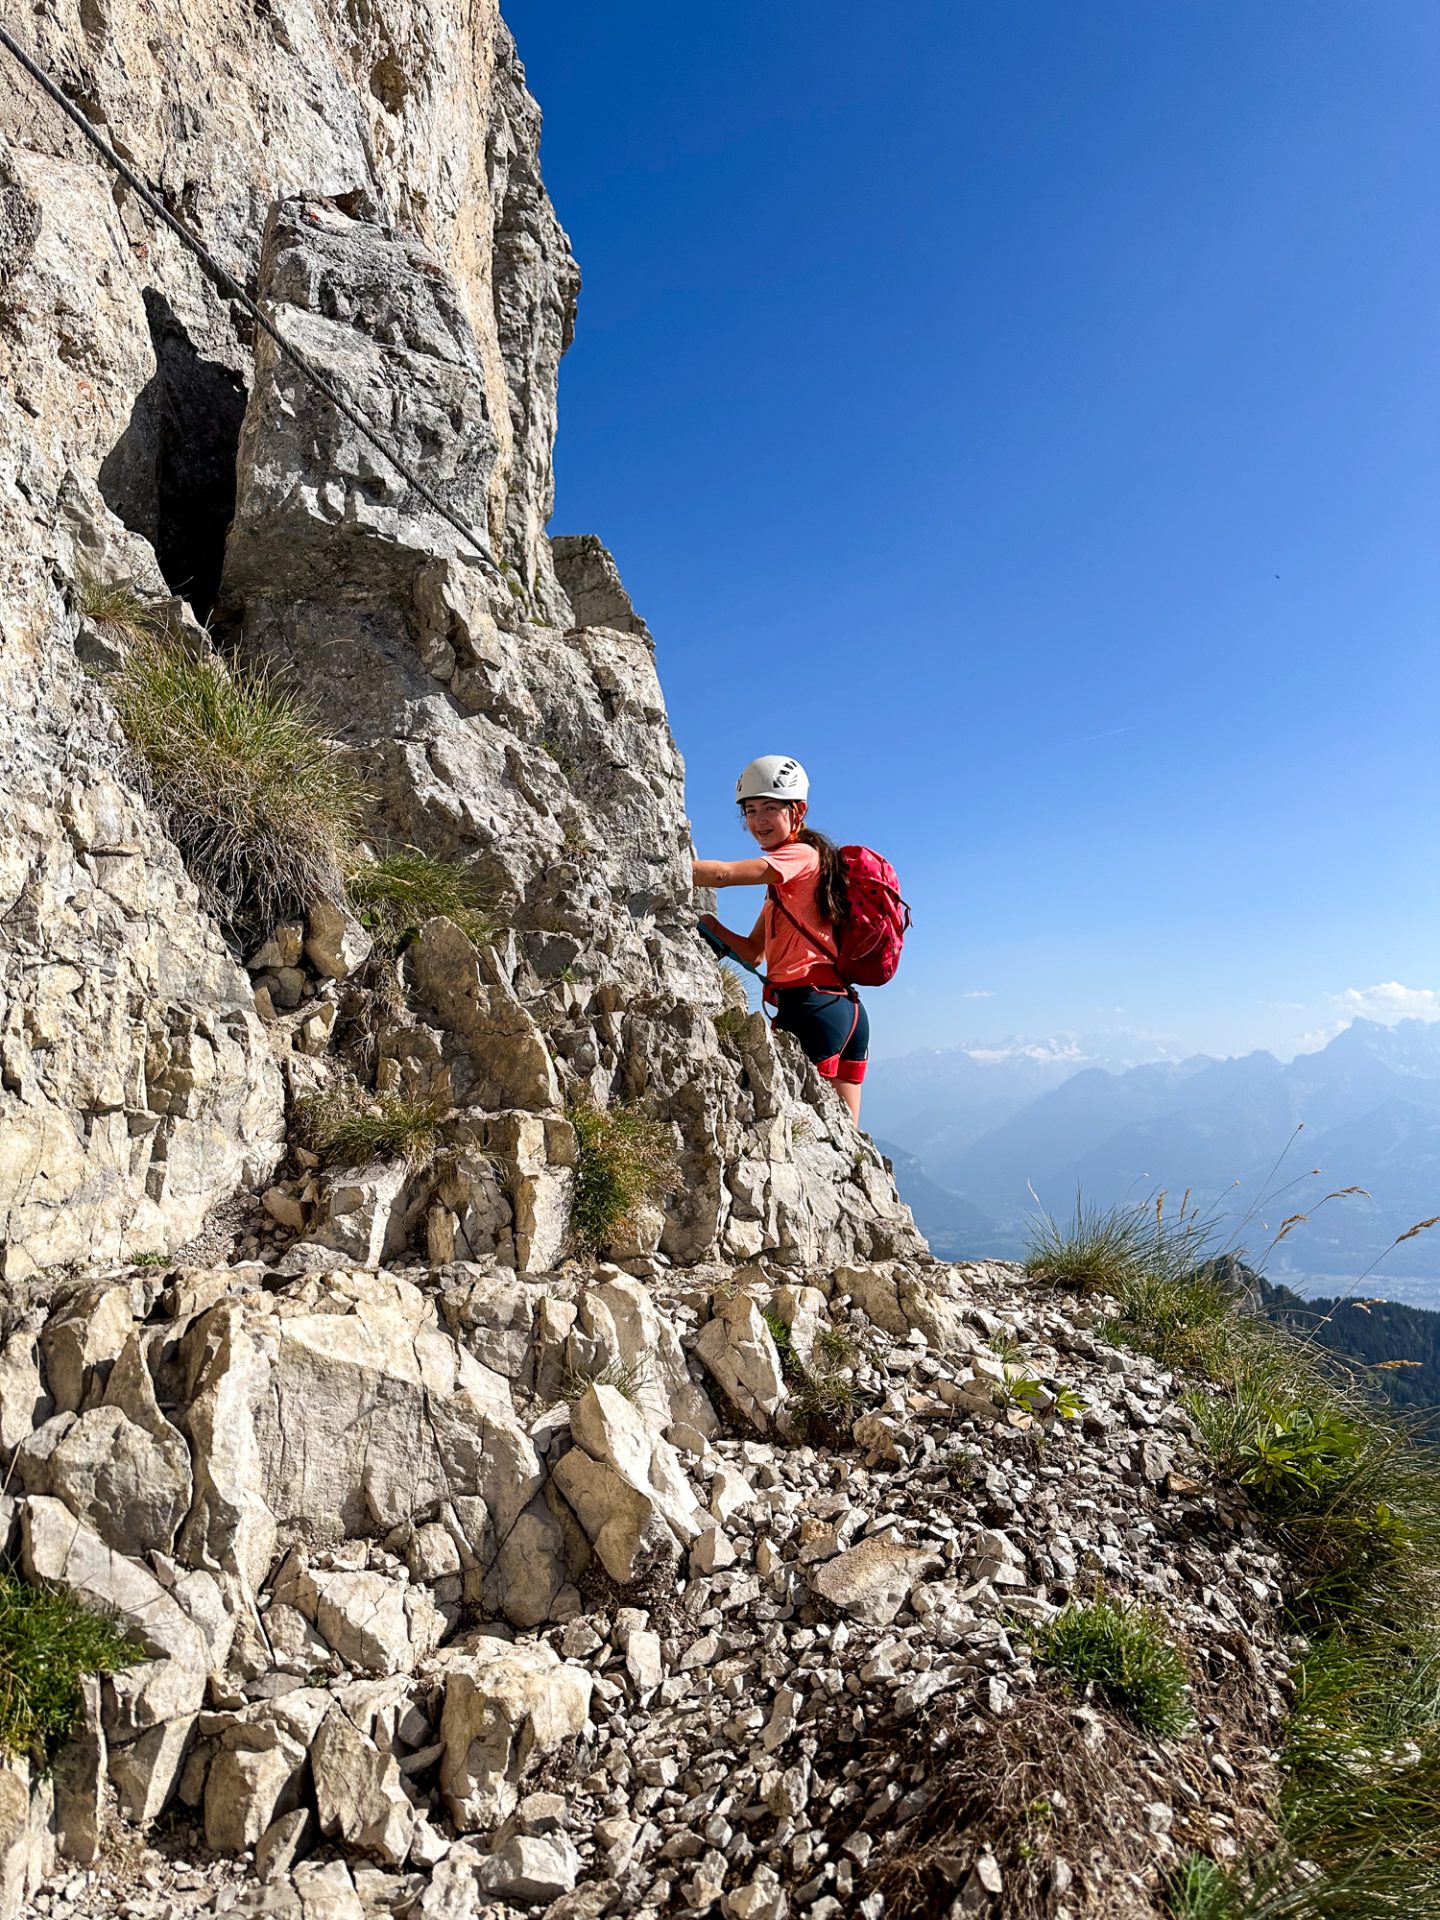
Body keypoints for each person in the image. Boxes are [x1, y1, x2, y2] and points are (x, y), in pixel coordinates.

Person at [692, 755, 869, 1124]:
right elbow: (754, 953)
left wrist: (659, 865)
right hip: (844, 1011)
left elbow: (724, 875)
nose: (759, 820)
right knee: (845, 1139)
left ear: (798, 811)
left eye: (770, 808)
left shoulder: (799, 855)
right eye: (751, 810)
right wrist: (710, 925)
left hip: (810, 1010)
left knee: (798, 1128)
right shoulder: (791, 885)